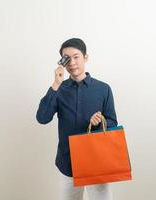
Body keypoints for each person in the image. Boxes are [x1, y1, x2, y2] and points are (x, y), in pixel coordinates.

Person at [36, 38, 118, 200]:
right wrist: (56, 84)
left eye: (76, 57)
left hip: (97, 162)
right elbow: (42, 118)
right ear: (62, 62)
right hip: (68, 162)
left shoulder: (103, 89)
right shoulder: (59, 89)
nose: (72, 62)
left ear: (85, 58)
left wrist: (100, 122)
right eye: (67, 58)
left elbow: (112, 122)